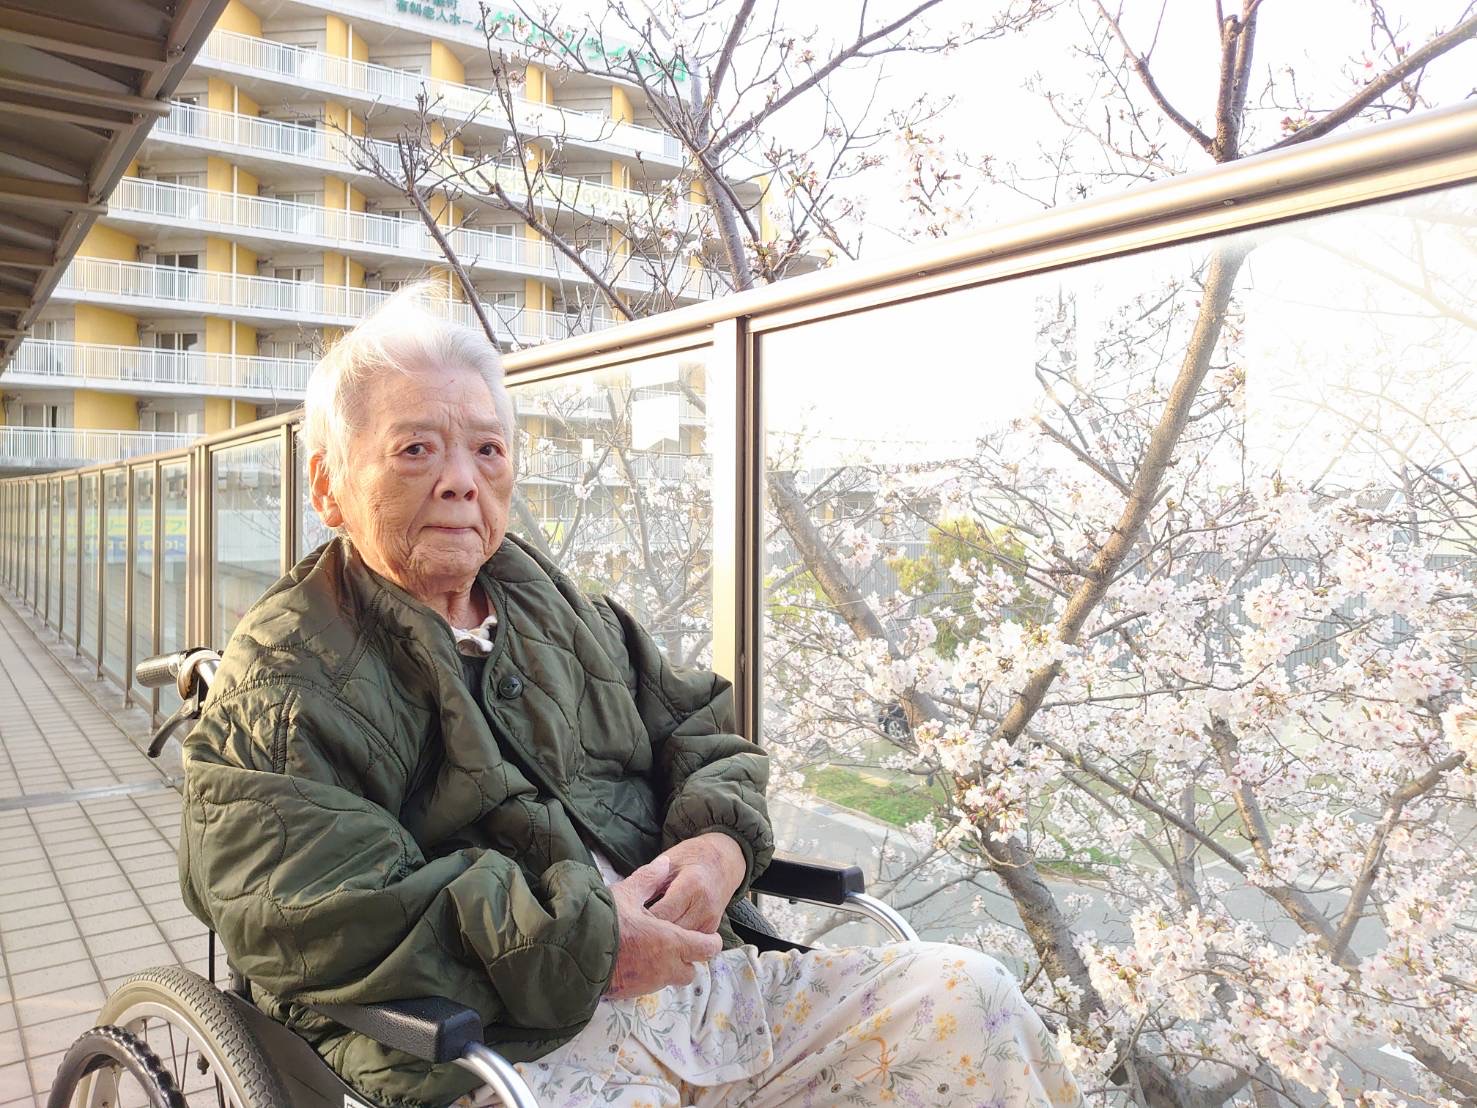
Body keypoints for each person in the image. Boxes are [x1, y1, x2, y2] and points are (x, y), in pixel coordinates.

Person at [179, 282, 1083, 1108]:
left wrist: (719, 843)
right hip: (499, 1052)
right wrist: (590, 941)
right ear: (329, 485)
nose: (461, 479)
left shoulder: (555, 604)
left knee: (967, 1000)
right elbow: (313, 909)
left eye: (487, 449)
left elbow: (699, 729)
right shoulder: (286, 676)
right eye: (415, 449)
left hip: (703, 997)